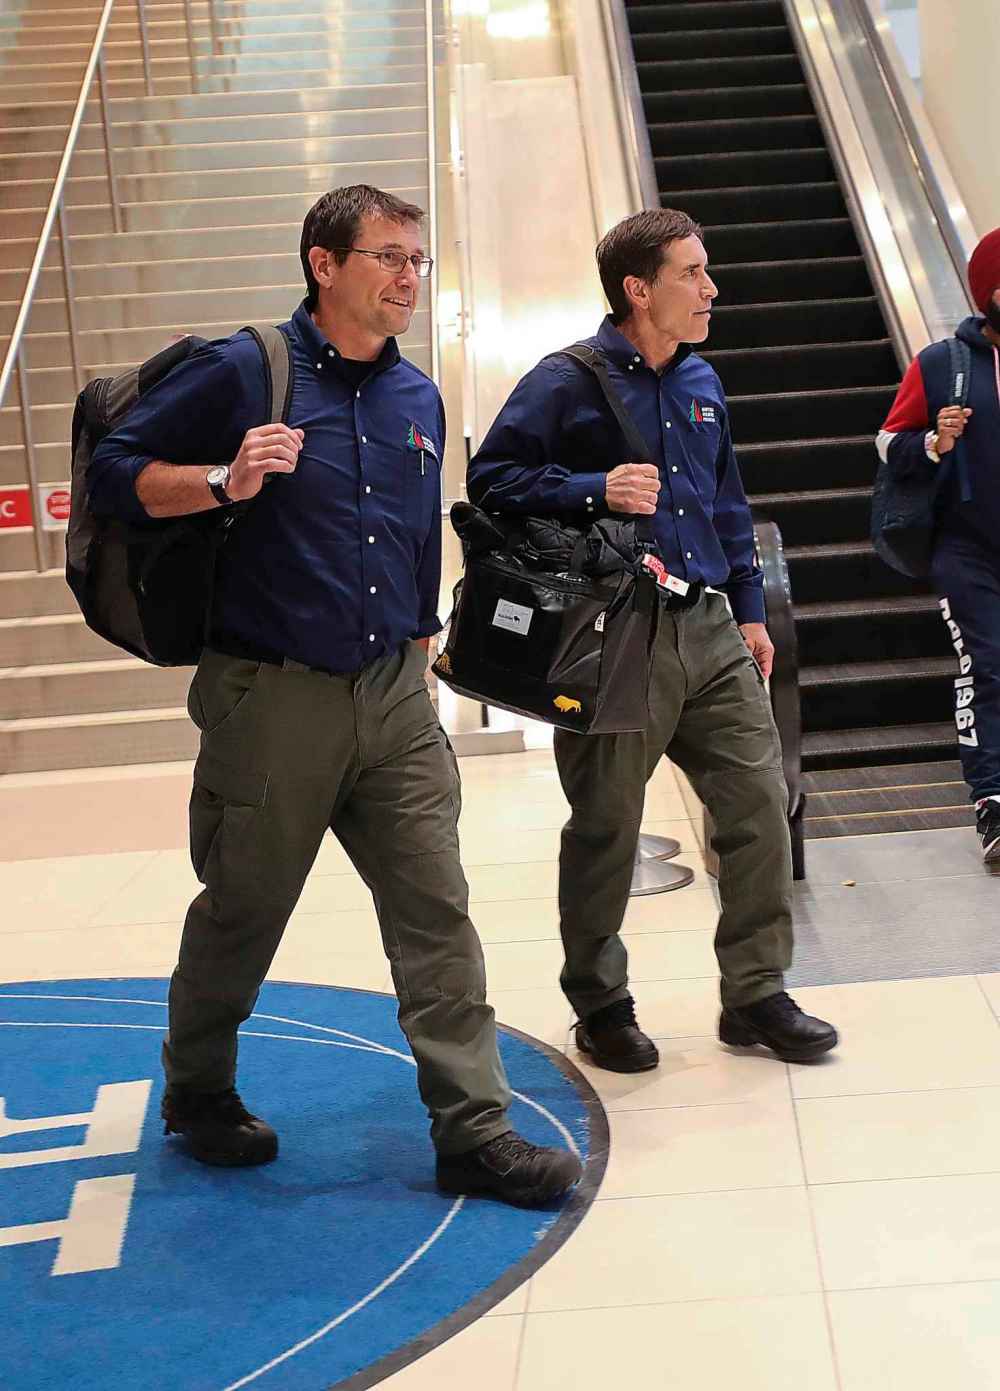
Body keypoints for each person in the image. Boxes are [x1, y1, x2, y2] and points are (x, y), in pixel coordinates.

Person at [87, 184, 581, 1206]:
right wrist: (224, 477)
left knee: (434, 903)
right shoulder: (244, 369)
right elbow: (111, 473)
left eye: (417, 260)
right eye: (387, 257)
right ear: (324, 264)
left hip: (396, 693)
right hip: (273, 697)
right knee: (246, 905)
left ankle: (471, 1125)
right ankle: (198, 1087)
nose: (407, 277)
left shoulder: (418, 398)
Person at [467, 208, 839, 1072]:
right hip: (615, 632)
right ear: (639, 289)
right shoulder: (568, 380)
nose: (710, 289)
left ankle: (755, 992)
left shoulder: (704, 381)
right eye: (691, 273)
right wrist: (596, 487)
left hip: (708, 623)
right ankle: (601, 1004)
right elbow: (493, 481)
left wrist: (749, 607)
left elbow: (729, 504)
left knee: (758, 805)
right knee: (606, 826)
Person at [877, 227, 1000, 864]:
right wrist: (933, 442)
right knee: (987, 663)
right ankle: (993, 801)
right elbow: (887, 442)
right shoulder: (941, 364)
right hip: (967, 546)